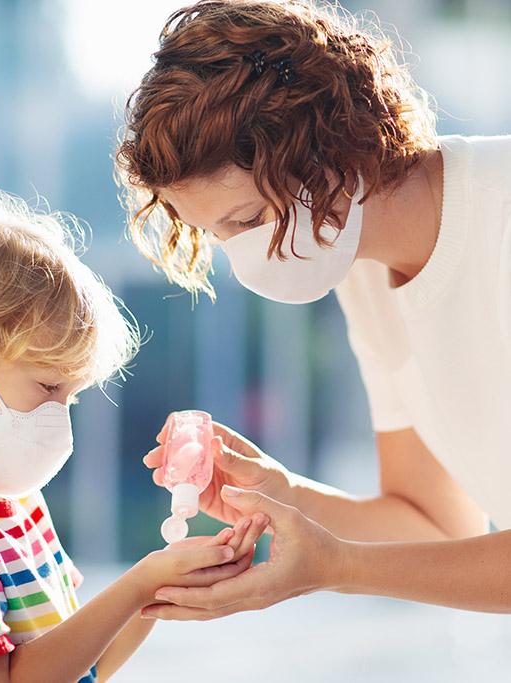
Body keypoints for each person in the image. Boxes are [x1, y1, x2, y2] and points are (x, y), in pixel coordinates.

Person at [115, 0, 511, 620]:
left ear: (332, 146)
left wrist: (337, 568)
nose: (244, 259)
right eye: (219, 236)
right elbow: (436, 528)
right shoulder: (364, 273)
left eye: (246, 220)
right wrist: (280, 494)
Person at [0, 188, 266, 682]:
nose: (60, 417)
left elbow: (83, 663)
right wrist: (136, 585)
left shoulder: (15, 501)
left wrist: (161, 583)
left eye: (72, 396)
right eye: (47, 386)